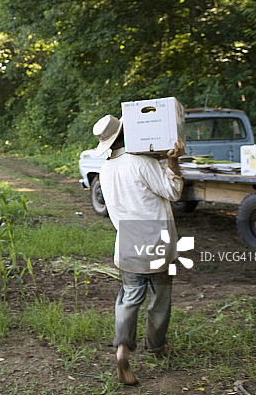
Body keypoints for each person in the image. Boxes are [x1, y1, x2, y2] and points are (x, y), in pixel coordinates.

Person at [91, 114, 185, 385]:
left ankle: (122, 350)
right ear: (125, 134)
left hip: (128, 241)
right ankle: (156, 345)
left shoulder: (105, 168)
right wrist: (173, 160)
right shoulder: (142, 162)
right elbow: (174, 190)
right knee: (160, 297)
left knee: (129, 297)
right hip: (156, 242)